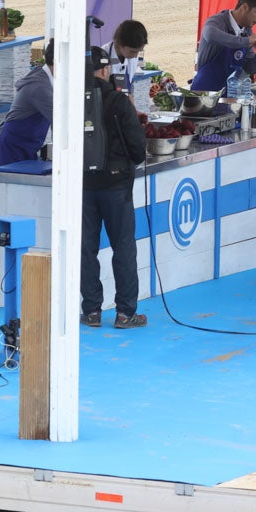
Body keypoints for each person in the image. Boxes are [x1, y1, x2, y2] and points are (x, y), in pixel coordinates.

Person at [80, 46, 149, 329]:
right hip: (116, 185)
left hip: (84, 185)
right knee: (123, 248)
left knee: (86, 248)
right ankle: (125, 313)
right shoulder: (118, 101)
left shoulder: (74, 101)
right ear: (106, 70)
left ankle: (92, 311)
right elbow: (138, 147)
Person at [0, 40, 55, 295]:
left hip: (25, 146)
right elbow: (62, 119)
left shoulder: (48, 81)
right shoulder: (40, 87)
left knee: (15, 207)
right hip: (11, 147)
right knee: (7, 208)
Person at [192, 0, 256, 92]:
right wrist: (245, 41)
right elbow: (210, 35)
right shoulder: (217, 21)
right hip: (206, 92)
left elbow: (249, 69)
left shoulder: (246, 31)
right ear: (244, 7)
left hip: (230, 93)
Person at [106, 19, 148, 94]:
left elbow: (128, 91)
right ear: (119, 44)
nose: (135, 56)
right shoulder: (102, 57)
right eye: (132, 51)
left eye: (139, 51)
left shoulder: (132, 57)